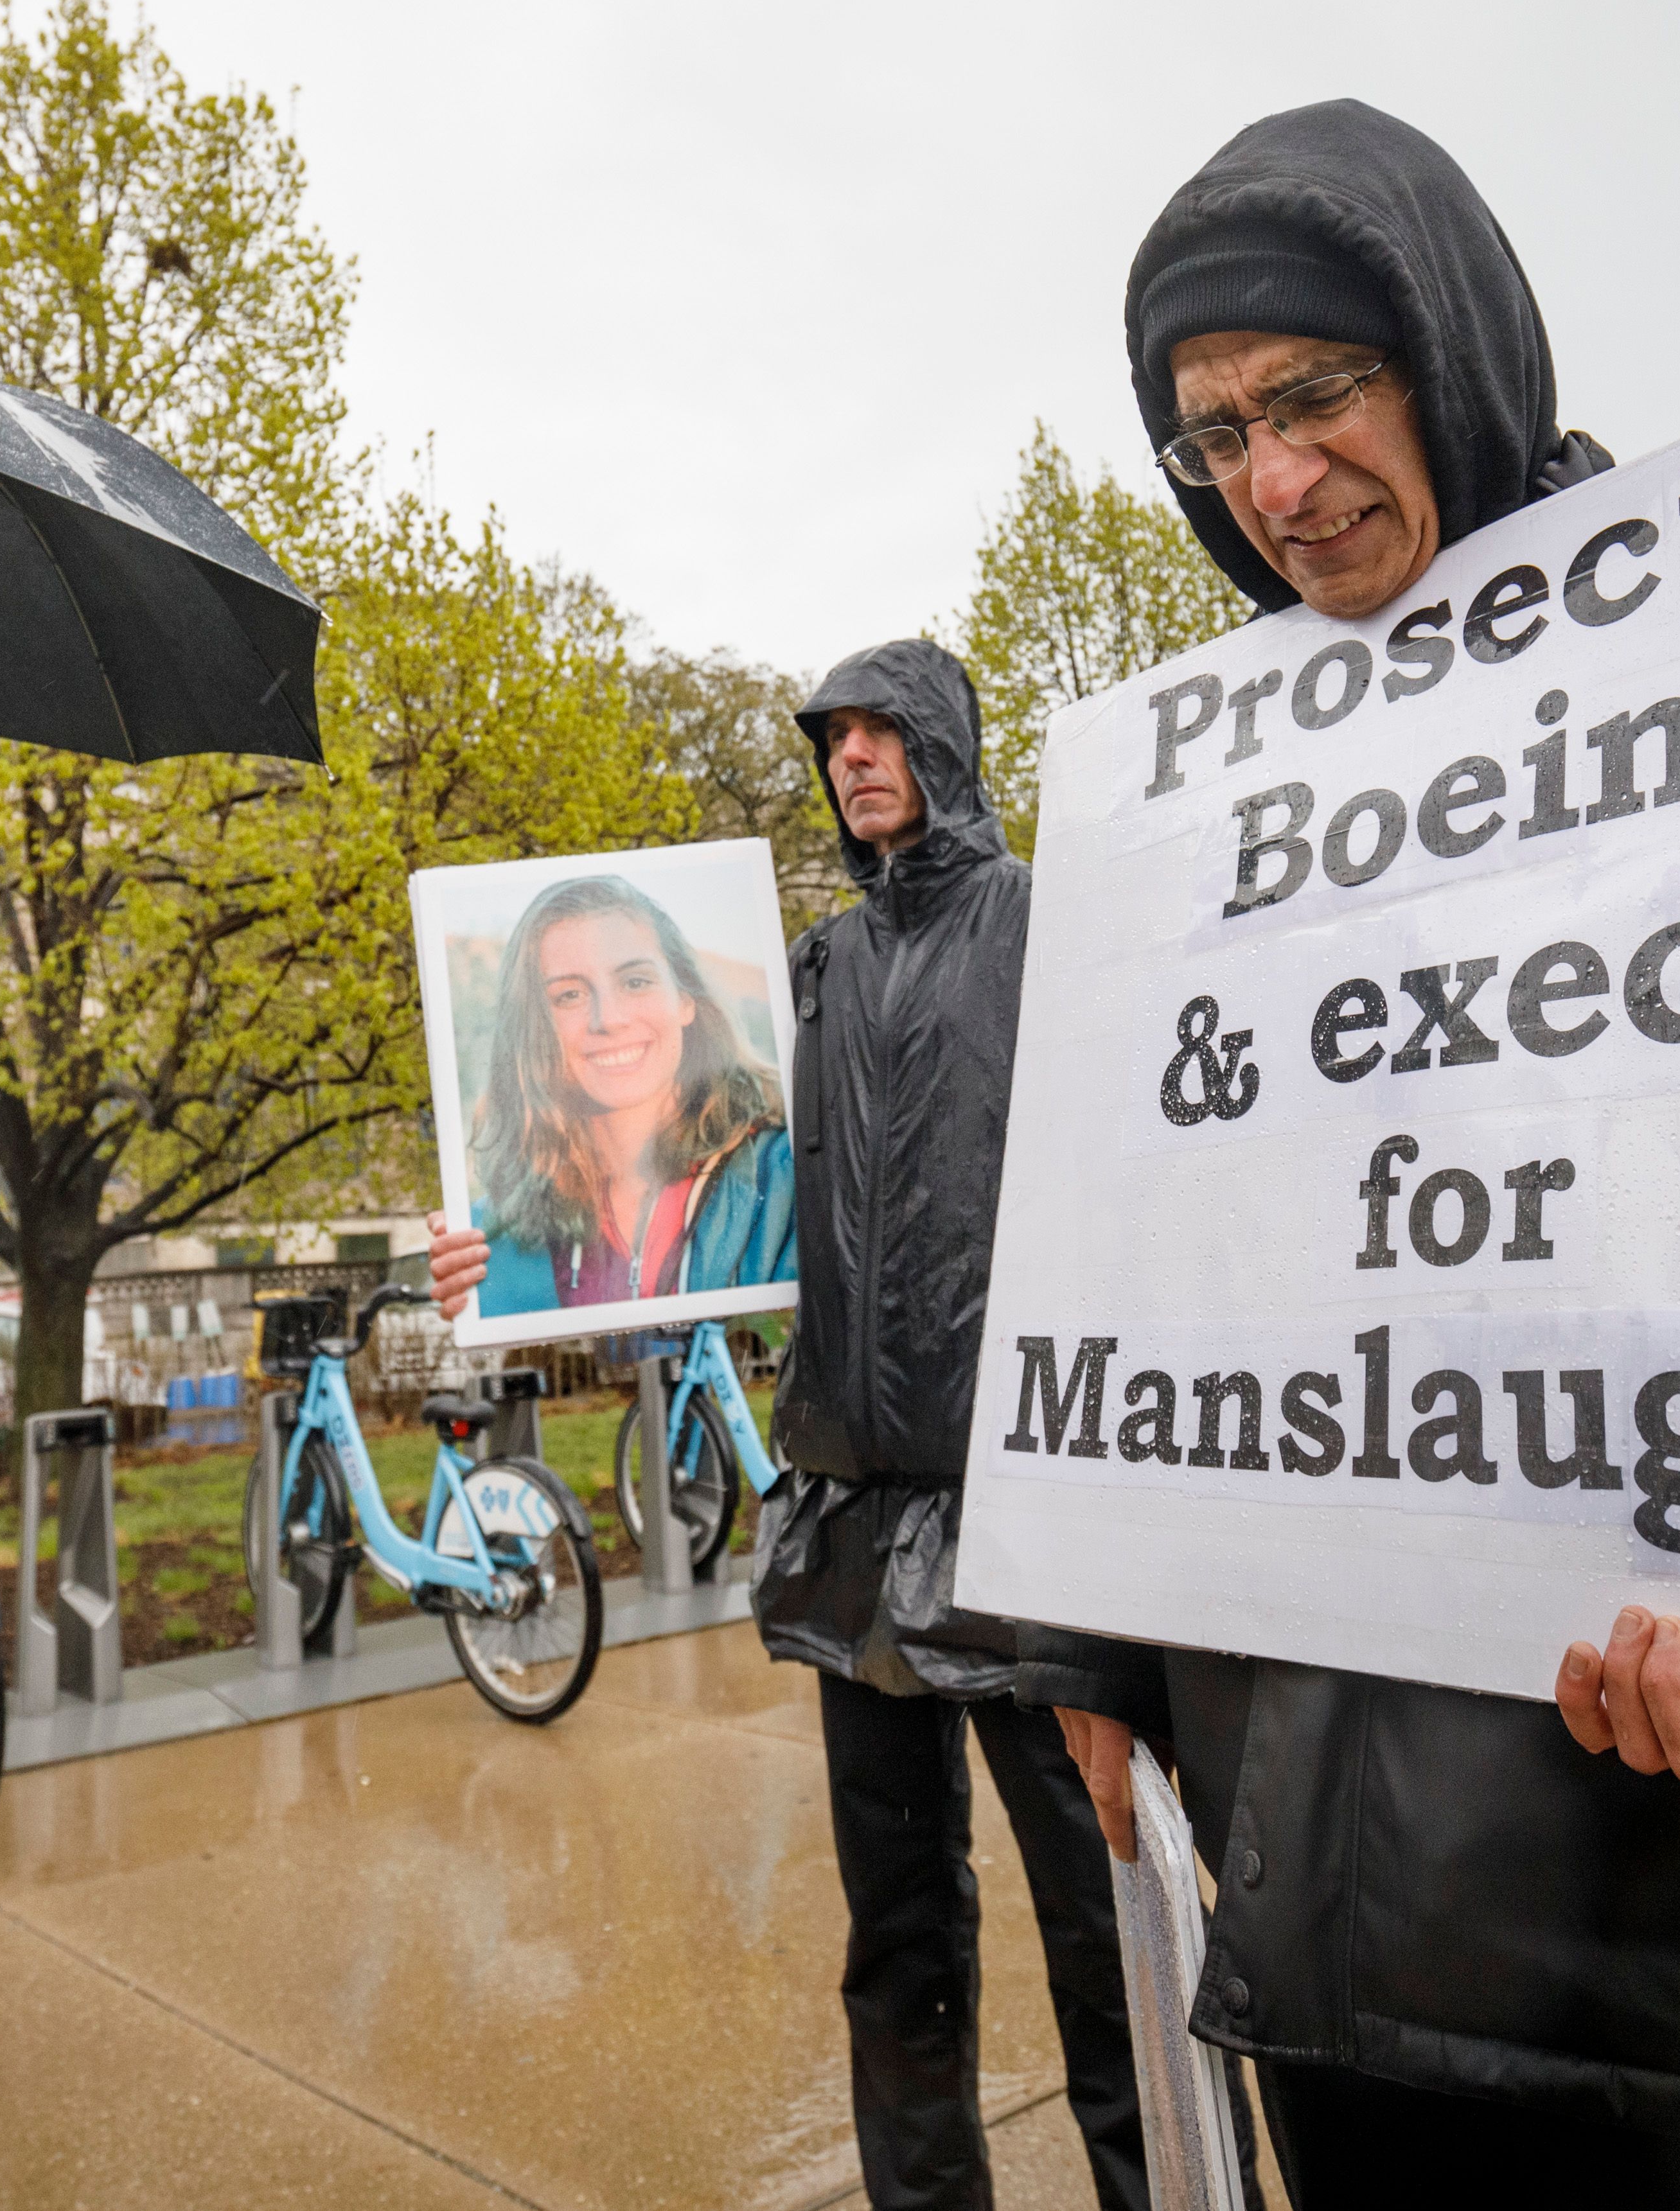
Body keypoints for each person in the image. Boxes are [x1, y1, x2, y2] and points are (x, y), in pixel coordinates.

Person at [1020, 99, 1680, 2208]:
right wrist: (1099, 1648)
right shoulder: (1214, 797)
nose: (1273, 484)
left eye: (1314, 395)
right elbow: (1154, 1240)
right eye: (1214, 435)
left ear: (1447, 345)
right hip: (1357, 1898)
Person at [452, 640, 1190, 2211]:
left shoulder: (1048, 922)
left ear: (945, 740)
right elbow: (674, 1187)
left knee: (1103, 1925)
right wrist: (497, 1261)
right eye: (833, 738)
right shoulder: (813, 966)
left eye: (881, 730)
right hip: (853, 1507)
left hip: (1025, 1511)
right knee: (900, 1932)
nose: (856, 757)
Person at [435, 871, 797, 1319]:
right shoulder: (494, 1234)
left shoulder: (789, 1178)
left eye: (635, 982)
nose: (608, 1018)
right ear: (534, 1029)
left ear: (687, 1000)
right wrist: (467, 1296)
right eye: (569, 994)